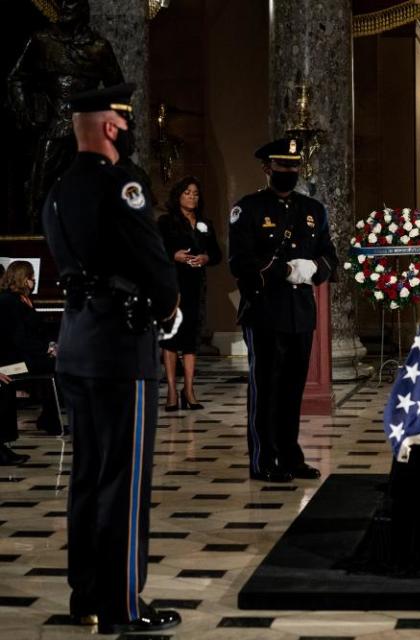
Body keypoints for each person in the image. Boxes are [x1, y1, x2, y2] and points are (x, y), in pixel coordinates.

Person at [41, 83, 182, 634]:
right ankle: (123, 607)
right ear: (110, 126)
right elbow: (151, 259)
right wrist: (169, 308)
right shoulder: (120, 183)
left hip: (76, 343)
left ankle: (87, 598)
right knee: (124, 482)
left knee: (88, 477)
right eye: (123, 123)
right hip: (122, 348)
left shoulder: (56, 190)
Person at [228, 137, 339, 483]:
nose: (289, 171)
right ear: (267, 168)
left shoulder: (312, 210)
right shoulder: (248, 209)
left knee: (292, 388)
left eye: (293, 166)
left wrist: (313, 269)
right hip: (265, 311)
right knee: (266, 387)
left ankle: (290, 455)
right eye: (282, 166)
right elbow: (241, 262)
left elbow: (330, 258)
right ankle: (263, 459)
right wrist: (286, 271)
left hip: (300, 313)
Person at [7, 0, 124, 232]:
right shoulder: (42, 41)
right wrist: (27, 113)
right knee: (40, 190)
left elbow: (117, 89)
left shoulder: (98, 48)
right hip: (54, 125)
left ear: (82, 11)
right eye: (62, 5)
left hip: (88, 130)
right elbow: (16, 78)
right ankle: (38, 244)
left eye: (70, 6)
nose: (63, 11)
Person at [157, 176, 222, 411]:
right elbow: (156, 250)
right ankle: (172, 391)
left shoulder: (205, 223)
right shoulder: (166, 222)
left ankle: (190, 390)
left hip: (196, 285)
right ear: (178, 196)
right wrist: (173, 255)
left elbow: (216, 253)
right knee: (172, 338)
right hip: (174, 286)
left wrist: (205, 257)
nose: (192, 197)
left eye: (195, 193)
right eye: (187, 193)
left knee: (192, 338)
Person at [0, 260, 59, 444]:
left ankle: (49, 418)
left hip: (25, 356)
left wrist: (50, 346)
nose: (33, 282)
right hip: (12, 363)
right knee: (60, 365)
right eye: (31, 278)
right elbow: (19, 339)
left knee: (59, 363)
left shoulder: (22, 300)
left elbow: (35, 333)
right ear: (23, 279)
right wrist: (46, 350)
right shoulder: (9, 301)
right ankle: (49, 418)